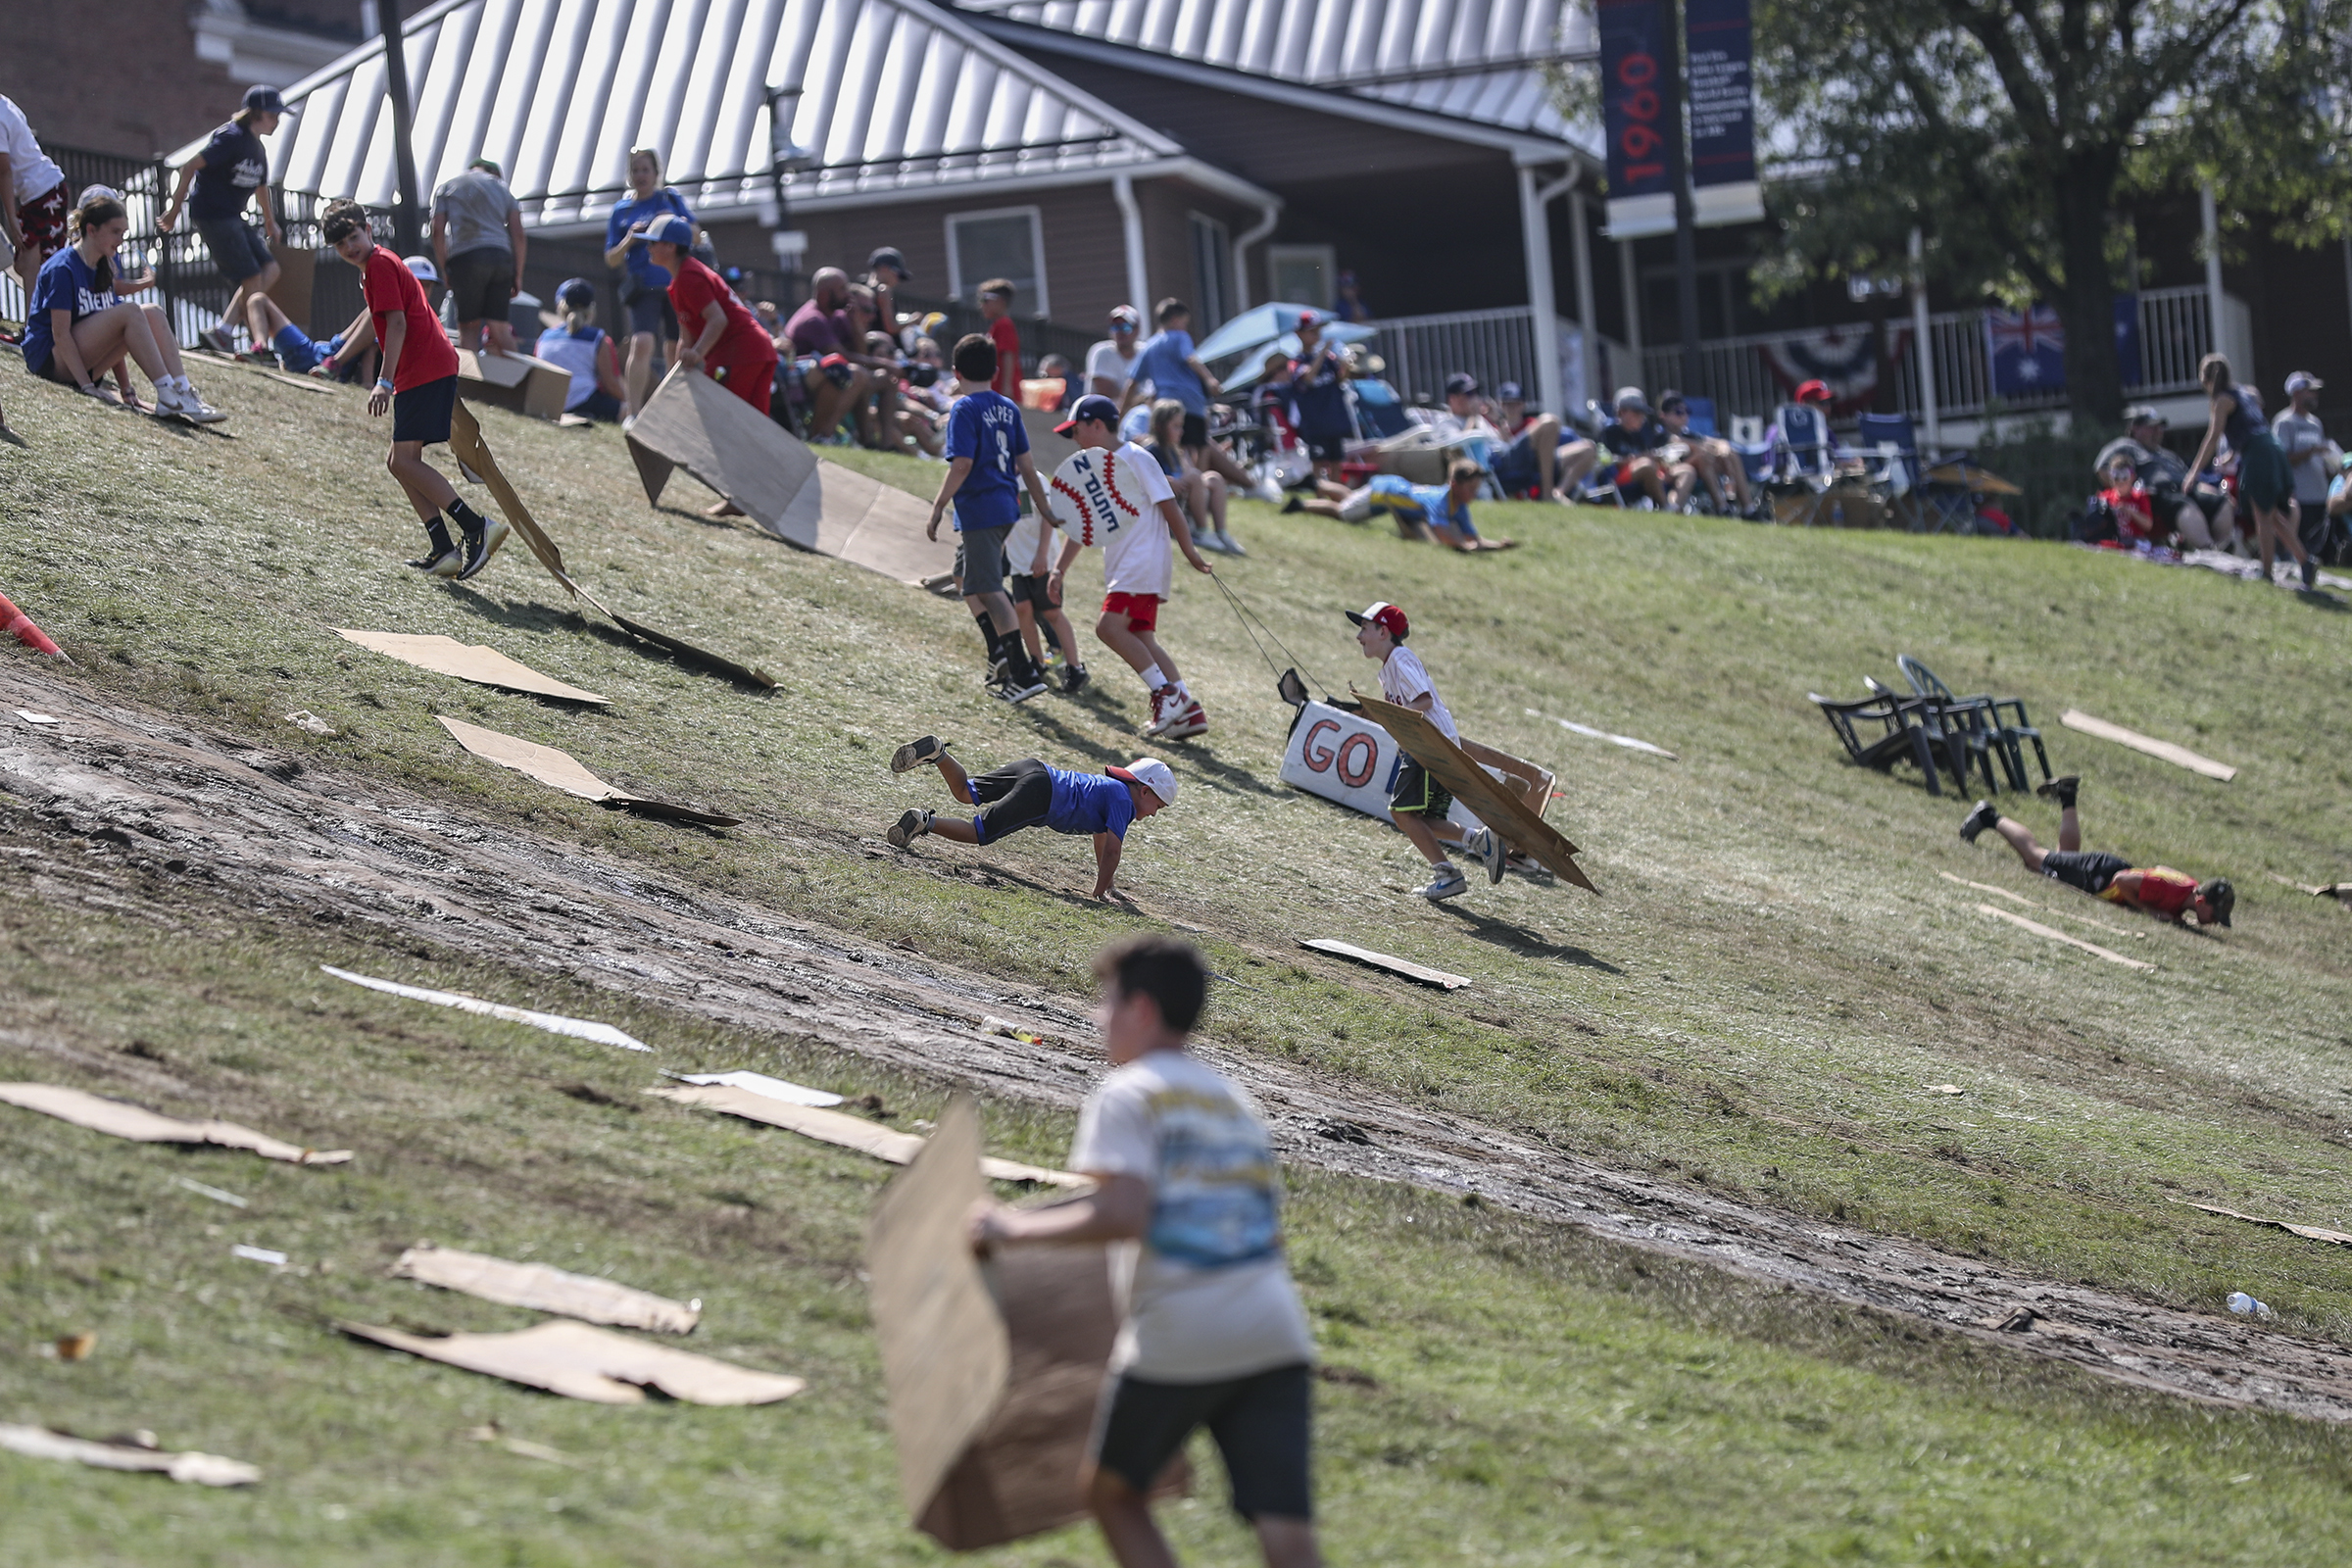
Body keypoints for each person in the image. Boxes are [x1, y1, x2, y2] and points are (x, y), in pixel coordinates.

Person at [967, 934, 1321, 1568]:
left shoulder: (1128, 1093)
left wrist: (1009, 1231)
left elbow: (1123, 1214)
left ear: (1143, 1011)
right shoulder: (1232, 1101)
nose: (1098, 1018)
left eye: (1107, 1001)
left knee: (1113, 1495)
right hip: (1276, 1331)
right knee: (1287, 1537)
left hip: (1182, 1332)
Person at [314, 199, 503, 581]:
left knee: (404, 461)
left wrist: (383, 381)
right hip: (421, 370)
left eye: (353, 237)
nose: (350, 247)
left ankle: (476, 526)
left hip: (424, 369)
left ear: (367, 230)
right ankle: (444, 549)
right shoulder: (374, 266)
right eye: (340, 245)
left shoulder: (380, 265)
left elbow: (396, 325)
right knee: (398, 461)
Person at [1045, 393, 1215, 740]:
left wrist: (1189, 551)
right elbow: (1083, 525)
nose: (1074, 440)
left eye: (1076, 431)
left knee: (1108, 628)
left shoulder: (1135, 457)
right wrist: (1060, 569)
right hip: (1128, 564)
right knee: (1141, 637)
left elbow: (1170, 507)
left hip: (1143, 561)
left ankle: (1165, 694)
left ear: (1096, 425)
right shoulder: (1093, 467)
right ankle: (1187, 709)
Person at [21, 192, 225, 422]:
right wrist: (86, 386)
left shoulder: (103, 266)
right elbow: (60, 335)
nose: (120, 240)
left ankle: (182, 390)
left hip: (83, 362)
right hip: (52, 361)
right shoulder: (62, 268)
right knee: (131, 311)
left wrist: (126, 390)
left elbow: (116, 331)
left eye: (123, 233)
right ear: (91, 230)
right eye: (115, 232)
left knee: (153, 313)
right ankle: (167, 393)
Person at [928, 332, 1054, 702]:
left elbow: (963, 463)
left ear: (955, 372)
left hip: (981, 509)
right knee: (964, 576)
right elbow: (1027, 466)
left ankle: (1023, 671)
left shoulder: (964, 409)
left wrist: (938, 506)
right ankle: (999, 654)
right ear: (996, 370)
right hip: (1005, 507)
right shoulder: (1009, 408)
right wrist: (1043, 507)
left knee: (990, 590)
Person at [1348, 601, 1503, 901]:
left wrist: (1399, 726)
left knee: (1401, 814)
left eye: (1364, 628)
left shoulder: (1401, 660)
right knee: (1419, 819)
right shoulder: (1390, 667)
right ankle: (1479, 841)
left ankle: (1448, 873)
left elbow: (1423, 702)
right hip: (1428, 748)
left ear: (1383, 631)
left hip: (1430, 748)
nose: (1359, 636)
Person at [885, 740, 1173, 897]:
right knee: (979, 833)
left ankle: (938, 753)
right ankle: (925, 821)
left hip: (1033, 769)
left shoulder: (1114, 792)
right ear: (1145, 791)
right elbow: (1112, 850)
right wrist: (1097, 894)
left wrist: (1106, 883)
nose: (1151, 815)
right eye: (1157, 807)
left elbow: (1101, 837)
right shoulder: (1124, 801)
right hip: (1042, 795)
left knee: (965, 791)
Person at [1961, 778, 2232, 928]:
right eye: (2215, 916)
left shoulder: (2187, 892)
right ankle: (1988, 816)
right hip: (2101, 875)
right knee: (2035, 858)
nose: (2214, 923)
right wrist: (2147, 911)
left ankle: (2067, 797)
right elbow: (2124, 882)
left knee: (2064, 855)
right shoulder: (2170, 890)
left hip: (2104, 868)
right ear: (2202, 902)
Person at [160, 86, 292, 356]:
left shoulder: (257, 148)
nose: (277, 121)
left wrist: (270, 222)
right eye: (273, 115)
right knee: (252, 276)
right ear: (256, 113)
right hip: (213, 214)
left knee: (271, 270)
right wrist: (174, 211)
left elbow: (261, 187)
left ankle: (224, 331)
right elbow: (189, 167)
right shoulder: (231, 137)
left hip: (233, 216)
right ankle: (259, 346)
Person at [2188, 353, 2315, 589]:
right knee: (2272, 515)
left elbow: (2212, 436)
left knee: (2262, 518)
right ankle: (2305, 561)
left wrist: (2194, 472)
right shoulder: (2243, 392)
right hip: (2270, 448)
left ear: (2206, 379)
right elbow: (2250, 426)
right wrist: (2232, 455)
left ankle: (2267, 573)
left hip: (2259, 454)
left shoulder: (2222, 400)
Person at [601, 147, 693, 419]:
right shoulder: (623, 210)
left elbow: (696, 235)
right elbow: (611, 259)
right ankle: (635, 412)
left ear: (656, 173)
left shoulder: (670, 199)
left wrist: (675, 225)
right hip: (643, 286)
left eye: (646, 170)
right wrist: (630, 238)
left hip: (675, 284)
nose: (641, 175)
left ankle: (674, 412)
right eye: (635, 170)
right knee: (642, 343)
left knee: (676, 348)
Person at [1131, 298, 1251, 494]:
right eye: (1185, 323)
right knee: (1201, 444)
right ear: (1176, 320)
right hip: (1190, 402)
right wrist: (1210, 379)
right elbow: (1191, 358)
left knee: (1178, 444)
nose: (1185, 327)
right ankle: (1198, 484)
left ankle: (1187, 478)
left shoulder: (1149, 346)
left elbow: (1133, 381)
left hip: (1164, 405)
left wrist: (1122, 409)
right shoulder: (1180, 337)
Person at [1292, 460, 1514, 552]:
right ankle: (1301, 505)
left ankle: (1317, 484)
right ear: (1455, 485)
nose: (1474, 494)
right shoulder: (1441, 501)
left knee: (1352, 498)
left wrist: (1498, 545)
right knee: (1343, 513)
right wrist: (1464, 548)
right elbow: (1442, 534)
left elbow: (1472, 539)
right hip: (1385, 494)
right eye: (1471, 489)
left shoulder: (1459, 507)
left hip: (1391, 489)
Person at [1004, 453, 1086, 694]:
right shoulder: (1000, 480)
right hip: (1018, 560)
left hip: (1042, 560)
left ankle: (1075, 668)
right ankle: (1037, 662)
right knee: (1023, 610)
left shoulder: (1035, 480)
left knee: (1051, 612)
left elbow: (1047, 519)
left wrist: (1041, 555)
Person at [430, 156, 526, 355]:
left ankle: (469, 383)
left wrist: (445, 267)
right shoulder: (503, 188)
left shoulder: (447, 187)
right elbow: (518, 233)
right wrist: (517, 274)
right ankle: (523, 383)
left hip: (466, 257)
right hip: (501, 257)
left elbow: (437, 230)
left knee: (468, 328)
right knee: (499, 328)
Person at [2117, 405, 2235, 551]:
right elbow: (2103, 470)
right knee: (2184, 505)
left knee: (2220, 501)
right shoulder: (2125, 446)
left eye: (2159, 428)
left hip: (2184, 488)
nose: (2157, 432)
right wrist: (2123, 492)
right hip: (2155, 495)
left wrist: (2210, 490)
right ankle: (2209, 549)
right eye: (2151, 428)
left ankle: (2222, 547)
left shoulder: (2168, 455)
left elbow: (2190, 478)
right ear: (2135, 429)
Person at [784, 268, 873, 441]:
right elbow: (841, 357)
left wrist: (855, 323)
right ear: (824, 294)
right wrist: (888, 364)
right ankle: (822, 435)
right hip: (802, 378)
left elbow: (862, 353)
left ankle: (870, 441)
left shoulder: (838, 316)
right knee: (854, 374)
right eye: (842, 289)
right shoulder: (813, 318)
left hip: (827, 375)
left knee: (882, 378)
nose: (848, 295)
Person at [1143, 397, 1236, 560]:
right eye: (1176, 426)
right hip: (1168, 507)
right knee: (1194, 476)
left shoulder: (1175, 451)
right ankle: (1202, 531)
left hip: (1183, 498)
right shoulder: (1151, 451)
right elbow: (1145, 479)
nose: (1181, 431)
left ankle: (1221, 533)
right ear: (1159, 427)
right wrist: (1165, 481)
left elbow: (1186, 473)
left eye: (1181, 426)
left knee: (1214, 478)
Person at [0, 92, 69, 304]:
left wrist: (11, 219)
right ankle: (39, 324)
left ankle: (36, 330)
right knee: (24, 262)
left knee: (34, 264)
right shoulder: (6, 104)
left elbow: (4, 170)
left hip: (44, 193)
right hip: (44, 190)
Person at [534, 277, 626, 420]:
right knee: (627, 410)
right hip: (584, 402)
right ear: (591, 309)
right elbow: (611, 385)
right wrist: (629, 402)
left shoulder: (544, 337)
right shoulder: (598, 338)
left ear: (560, 306)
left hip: (547, 405)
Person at [1656, 390, 1755, 516]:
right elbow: (1676, 443)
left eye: (1687, 412)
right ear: (1663, 415)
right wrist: (1709, 448)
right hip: (1674, 472)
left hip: (1699, 470)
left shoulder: (1688, 434)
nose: (1684, 416)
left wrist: (1723, 448)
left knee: (1731, 454)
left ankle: (1749, 509)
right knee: (1703, 455)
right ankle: (1722, 506)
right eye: (1678, 412)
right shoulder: (1660, 436)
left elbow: (1716, 442)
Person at [1287, 312, 1353, 483]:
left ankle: (1338, 497)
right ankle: (1321, 497)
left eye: (1318, 330)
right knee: (1318, 462)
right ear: (1299, 334)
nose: (1316, 334)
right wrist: (1323, 352)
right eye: (1311, 330)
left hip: (1334, 418)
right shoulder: (1297, 361)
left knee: (1337, 461)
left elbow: (1340, 379)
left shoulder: (1329, 359)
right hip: (1315, 422)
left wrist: (1346, 366)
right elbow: (1308, 378)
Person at [2275, 371, 2331, 562]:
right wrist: (2311, 451)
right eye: (2310, 391)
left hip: (2319, 495)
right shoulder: (2285, 422)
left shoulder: (2316, 423)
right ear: (2297, 393)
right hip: (2299, 496)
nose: (2314, 395)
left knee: (2318, 546)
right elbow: (2281, 459)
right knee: (2299, 547)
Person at [1596, 388, 1682, 508]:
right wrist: (1639, 458)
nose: (1642, 417)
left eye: (1643, 413)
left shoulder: (1641, 435)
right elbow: (1608, 462)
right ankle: (1666, 507)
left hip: (1644, 475)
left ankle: (1677, 507)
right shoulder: (1609, 433)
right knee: (1647, 465)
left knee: (1685, 471)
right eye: (1637, 413)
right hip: (1616, 479)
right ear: (1621, 412)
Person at [242, 290, 343, 374]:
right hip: (312, 352)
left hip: (314, 358)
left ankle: (262, 352)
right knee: (257, 300)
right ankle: (261, 351)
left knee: (258, 299)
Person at [975, 277, 1024, 400]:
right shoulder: (997, 325)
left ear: (1000, 301)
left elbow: (1008, 355)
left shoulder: (1004, 324)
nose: (981, 305)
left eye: (985, 300)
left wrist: (1006, 387)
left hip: (1003, 390)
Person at [1089, 306, 1143, 407]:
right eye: (1115, 327)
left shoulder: (1144, 352)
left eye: (1126, 328)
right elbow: (1106, 393)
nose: (1120, 332)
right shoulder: (1102, 352)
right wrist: (1141, 399)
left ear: (1137, 330)